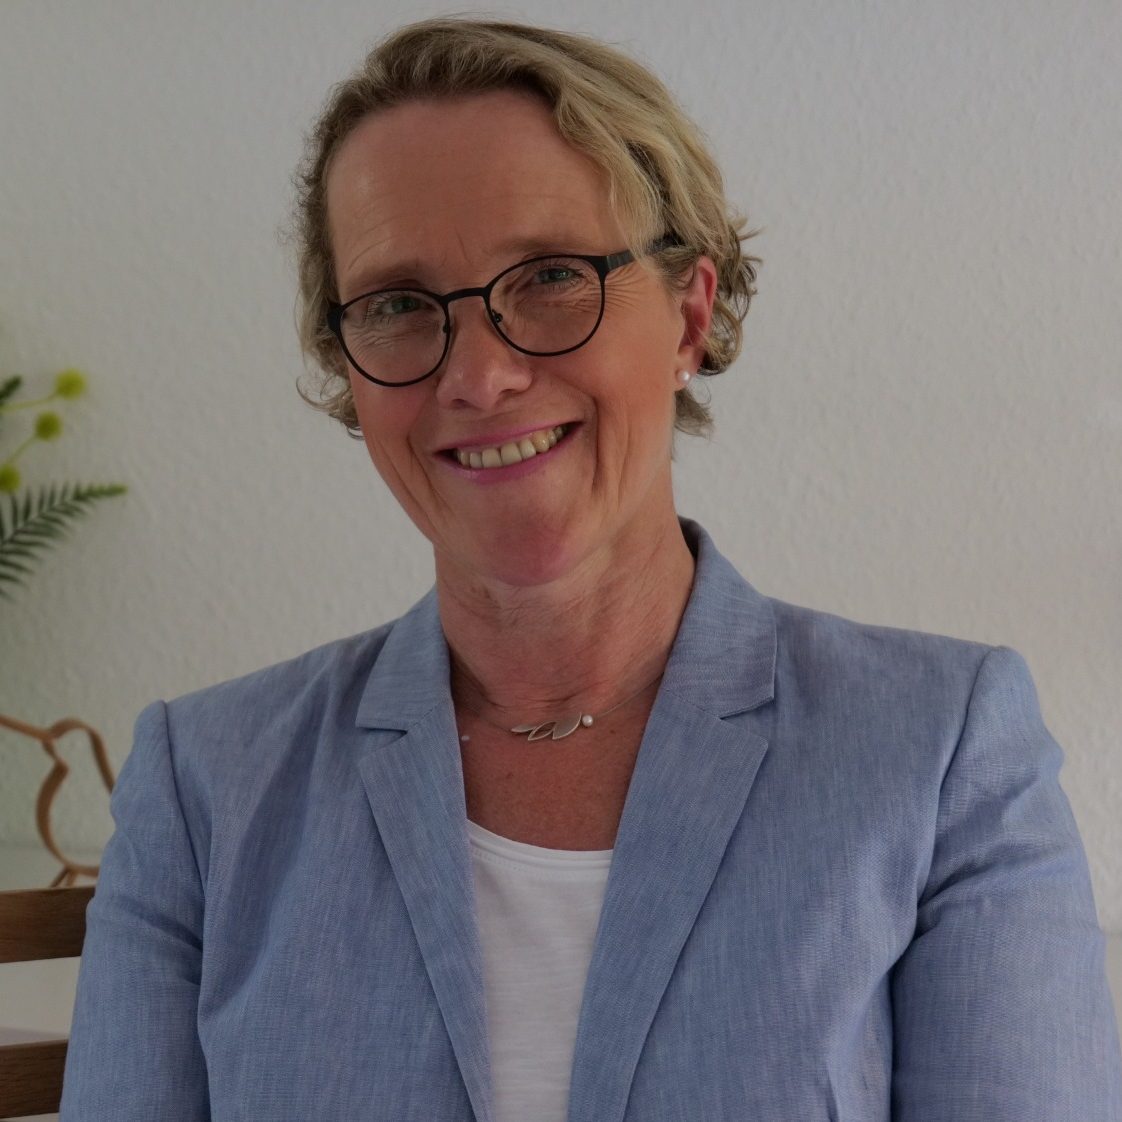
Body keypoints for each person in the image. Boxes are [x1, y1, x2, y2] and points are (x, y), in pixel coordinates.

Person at [60, 17, 1121, 1122]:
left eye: (552, 277)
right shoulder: (206, 788)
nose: (480, 376)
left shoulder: (941, 753)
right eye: (397, 305)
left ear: (689, 316)